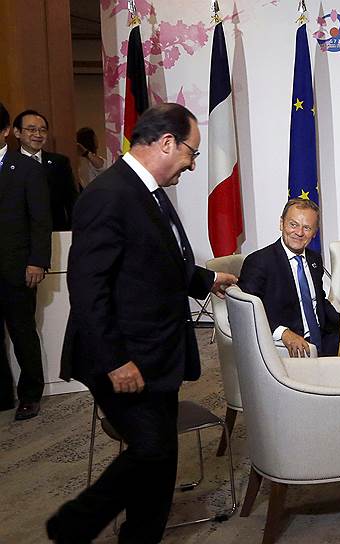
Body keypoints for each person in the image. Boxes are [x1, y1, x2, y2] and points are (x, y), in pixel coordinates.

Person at [47, 103, 237, 544]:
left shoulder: (148, 192)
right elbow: (88, 288)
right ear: (167, 142)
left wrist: (207, 280)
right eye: (192, 152)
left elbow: (158, 262)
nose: (193, 164)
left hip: (157, 355)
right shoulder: (108, 195)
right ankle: (73, 525)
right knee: (152, 449)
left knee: (162, 456)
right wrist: (115, 360)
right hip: (123, 358)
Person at [238, 199, 340, 356]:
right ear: (281, 224)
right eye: (293, 225)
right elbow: (246, 311)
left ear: (314, 233)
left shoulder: (314, 259)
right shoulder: (259, 262)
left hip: (323, 336)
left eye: (307, 228)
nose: (299, 233)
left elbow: (319, 301)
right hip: (292, 343)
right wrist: (283, 333)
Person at [0, 101, 51, 421]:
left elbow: (40, 220)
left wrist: (38, 261)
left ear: (5, 131)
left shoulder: (27, 168)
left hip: (17, 268)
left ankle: (30, 395)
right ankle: (2, 394)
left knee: (22, 332)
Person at [12, 109, 78, 230]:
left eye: (43, 130)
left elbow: (71, 200)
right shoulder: (7, 163)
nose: (38, 135)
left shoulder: (60, 163)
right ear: (17, 132)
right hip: (18, 234)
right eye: (32, 130)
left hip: (55, 232)